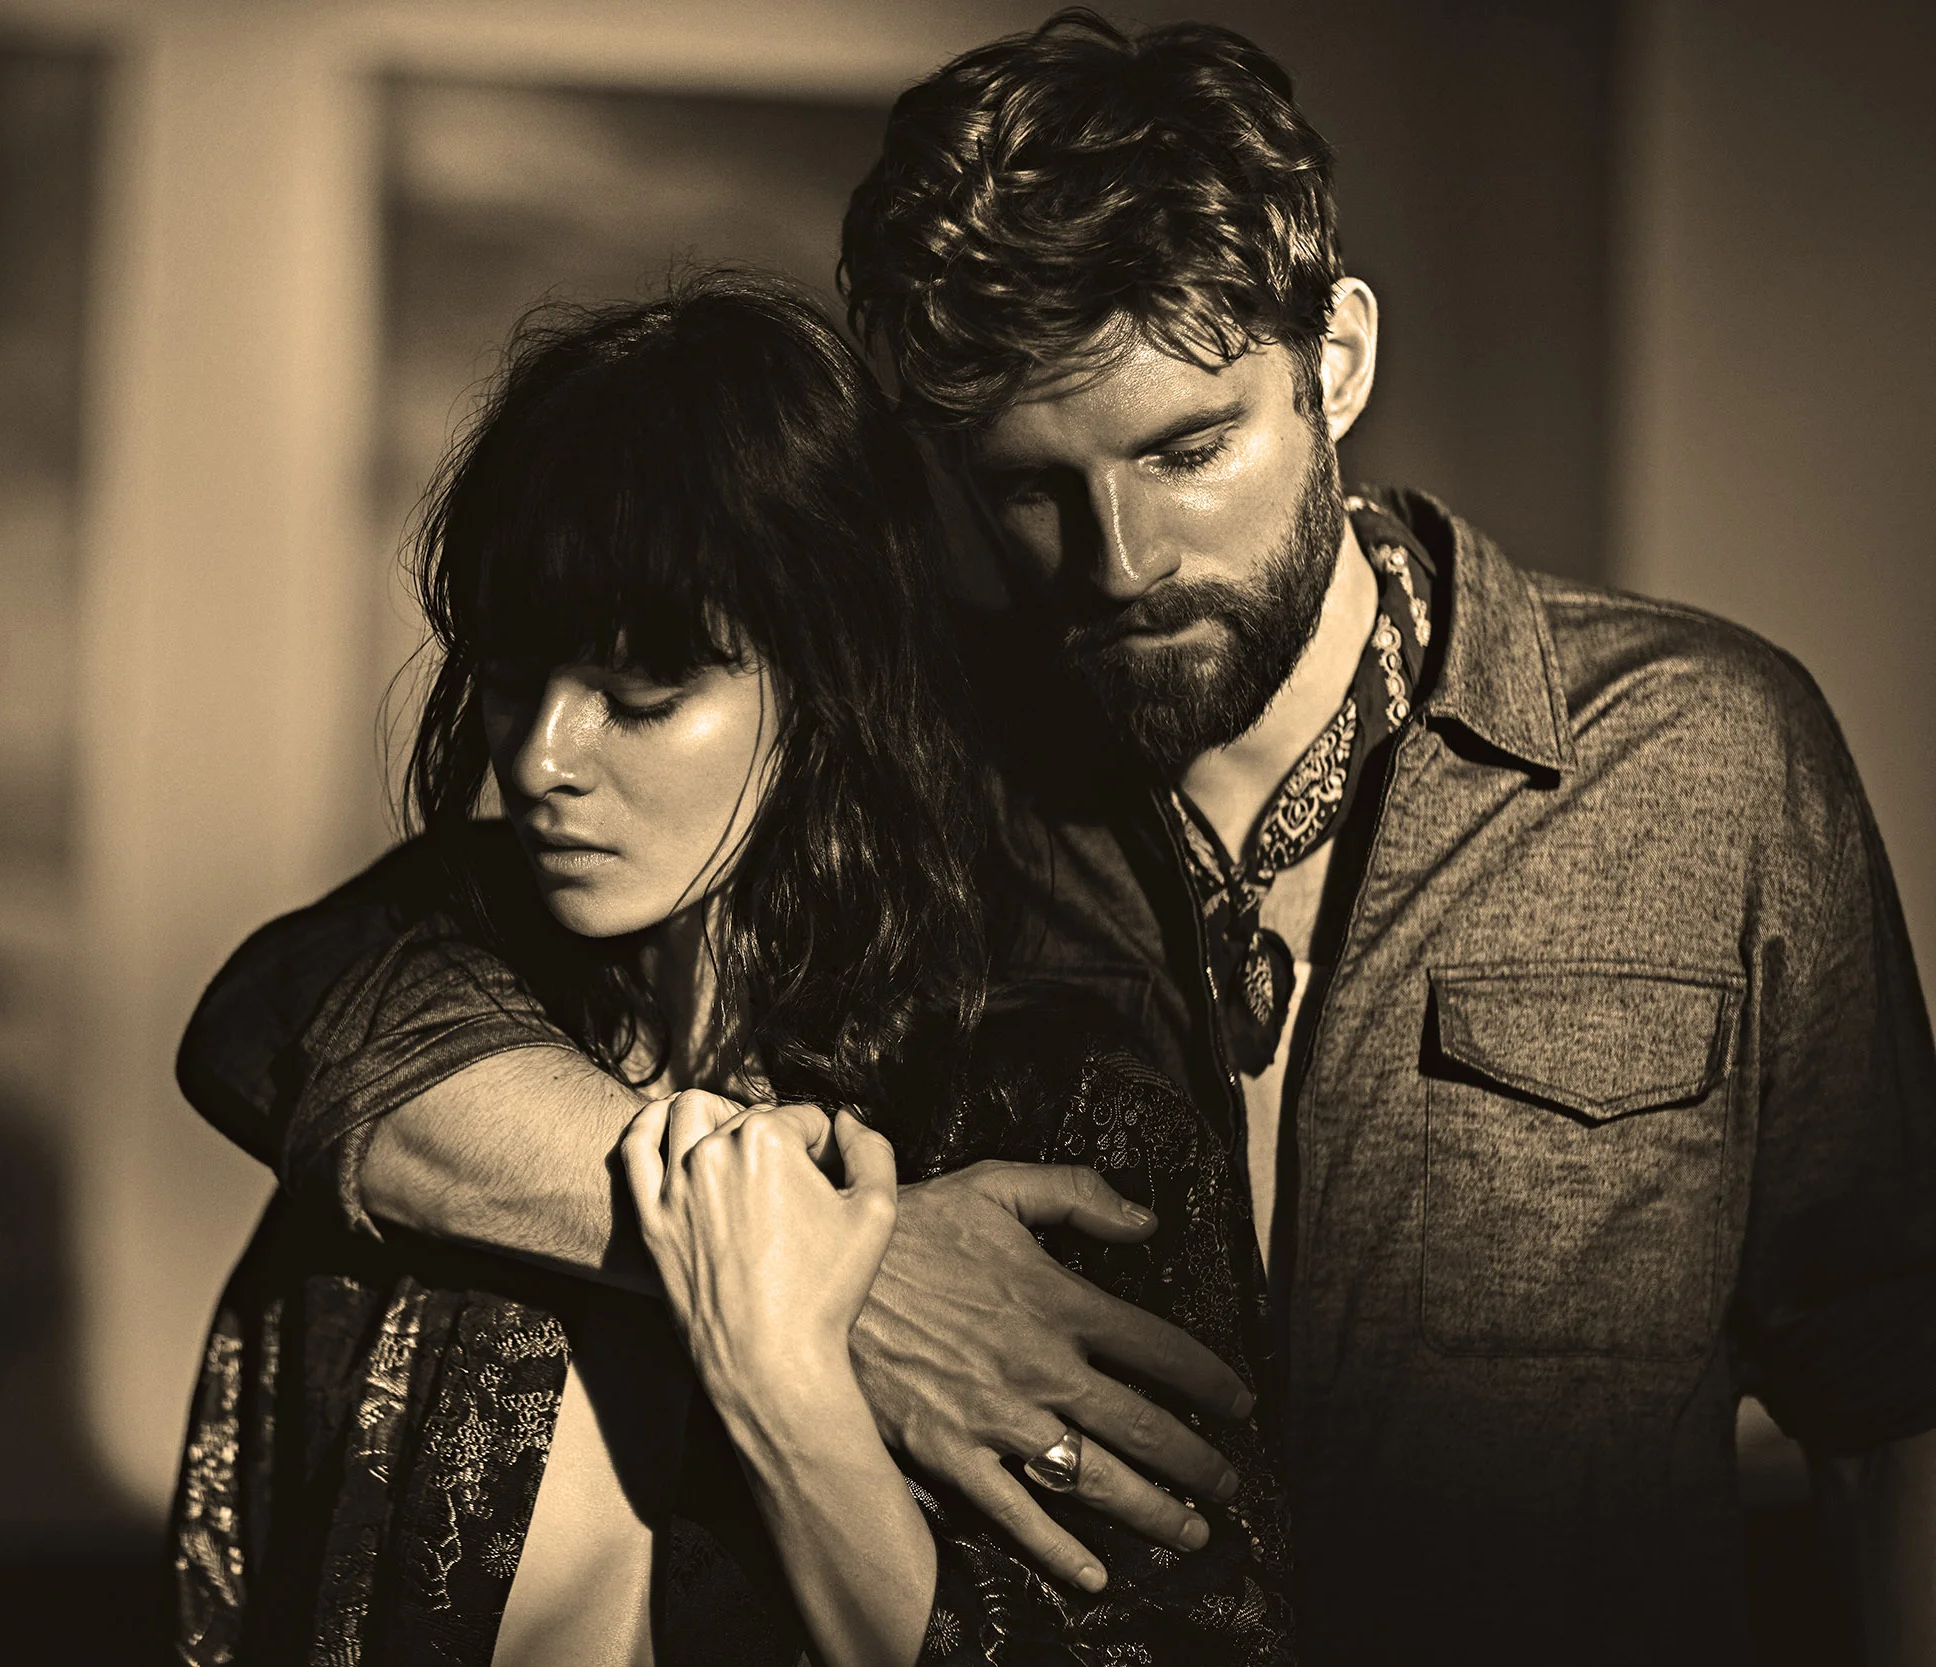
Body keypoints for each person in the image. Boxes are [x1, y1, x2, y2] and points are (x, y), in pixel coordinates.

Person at [180, 15, 1936, 1664]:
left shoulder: (1704, 753)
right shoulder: (913, 762)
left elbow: (1892, 1383)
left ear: (1336, 360)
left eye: (1189, 450)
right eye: (1030, 486)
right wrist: (822, 1265)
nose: (1119, 560)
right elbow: (309, 1011)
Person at [174, 271, 1294, 1666]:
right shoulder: (432, 1038)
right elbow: (256, 1021)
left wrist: (789, 1376)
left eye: (643, 694)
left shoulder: (1070, 1133)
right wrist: (823, 1258)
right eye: (514, 676)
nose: (539, 760)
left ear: (828, 683)